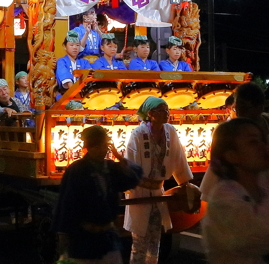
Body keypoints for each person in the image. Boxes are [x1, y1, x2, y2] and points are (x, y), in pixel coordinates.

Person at [202, 118, 269, 264]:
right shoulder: (223, 197)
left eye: (263, 140)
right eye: (253, 142)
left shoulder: (264, 191)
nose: (264, 147)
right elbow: (262, 234)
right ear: (232, 156)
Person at [54, 125, 142, 264]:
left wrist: (121, 159)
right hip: (83, 239)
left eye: (105, 145)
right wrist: (64, 239)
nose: (104, 149)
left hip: (107, 237)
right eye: (99, 146)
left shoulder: (111, 167)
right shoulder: (77, 170)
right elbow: (67, 205)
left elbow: (134, 179)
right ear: (91, 147)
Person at [124, 97, 192, 264]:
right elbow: (130, 164)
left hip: (158, 192)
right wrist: (130, 187)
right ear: (150, 114)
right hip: (140, 193)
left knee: (155, 241)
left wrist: (185, 183)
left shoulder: (170, 131)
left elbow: (179, 157)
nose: (166, 114)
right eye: (162, 110)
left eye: (167, 110)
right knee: (139, 242)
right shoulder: (138, 134)